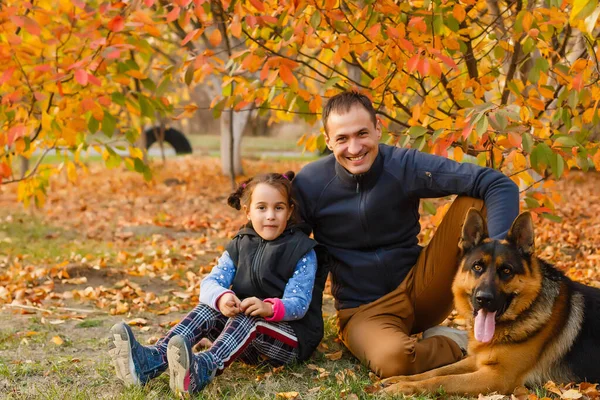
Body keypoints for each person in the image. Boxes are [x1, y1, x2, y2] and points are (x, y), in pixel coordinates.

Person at [292, 91, 520, 378]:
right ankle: (453, 342)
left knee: (474, 201)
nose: (354, 147)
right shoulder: (311, 183)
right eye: (342, 138)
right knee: (394, 361)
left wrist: (497, 261)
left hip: (421, 288)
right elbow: (286, 245)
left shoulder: (404, 164)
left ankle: (482, 307)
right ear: (328, 141)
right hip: (364, 310)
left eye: (362, 133)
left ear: (378, 128)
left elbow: (497, 184)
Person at [108, 171, 326, 395]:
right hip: (244, 341)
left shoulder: (302, 250)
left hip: (289, 342)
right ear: (248, 211)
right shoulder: (240, 244)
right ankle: (150, 362)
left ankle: (203, 369)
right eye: (262, 208)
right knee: (209, 307)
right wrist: (222, 298)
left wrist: (268, 308)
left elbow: (299, 303)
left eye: (278, 208)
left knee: (249, 316)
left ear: (289, 211)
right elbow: (211, 282)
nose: (270, 215)